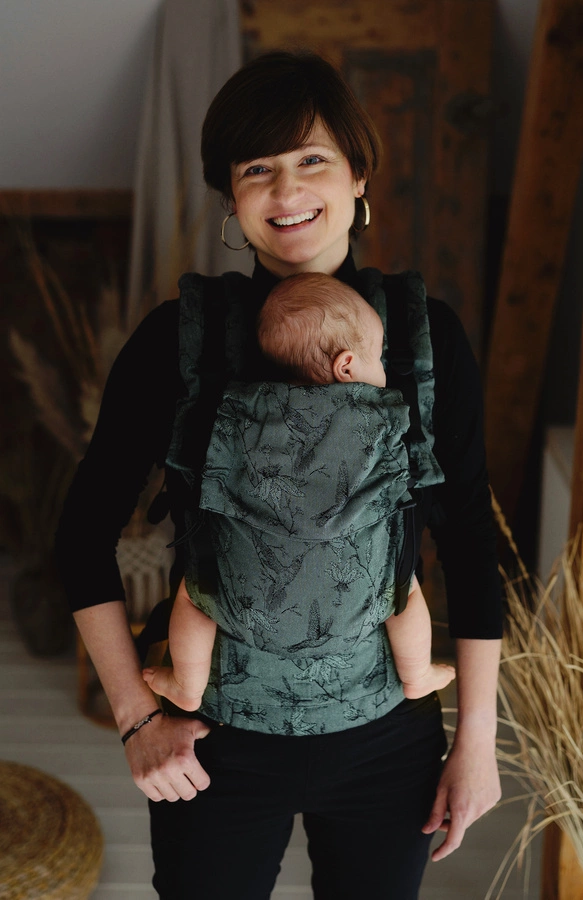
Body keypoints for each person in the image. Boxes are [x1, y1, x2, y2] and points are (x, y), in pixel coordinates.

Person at [55, 50, 503, 900]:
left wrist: (476, 742)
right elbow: (81, 537)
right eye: (256, 168)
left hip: (387, 742)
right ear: (232, 198)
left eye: (311, 159)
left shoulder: (424, 337)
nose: (286, 189)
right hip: (212, 744)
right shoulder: (176, 339)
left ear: (359, 175)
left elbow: (472, 540)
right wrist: (136, 716)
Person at [142, 272, 455, 715]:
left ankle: (187, 685)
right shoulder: (384, 420)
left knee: (194, 597)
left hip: (243, 608)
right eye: (377, 356)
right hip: (363, 607)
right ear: (347, 366)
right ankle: (418, 673)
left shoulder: (238, 415)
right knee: (406, 590)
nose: (383, 369)